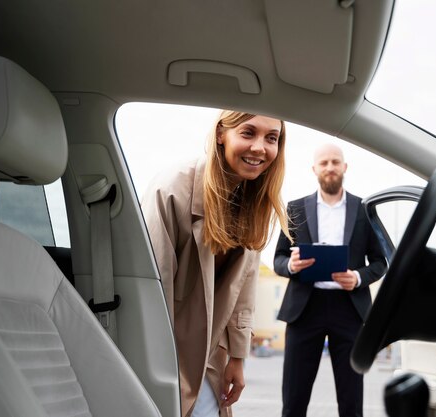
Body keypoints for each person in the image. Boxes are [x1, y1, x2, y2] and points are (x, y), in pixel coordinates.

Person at [142, 110, 289, 417]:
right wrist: (160, 369)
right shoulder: (173, 189)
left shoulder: (254, 201)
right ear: (222, 133)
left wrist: (237, 357)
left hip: (210, 355)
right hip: (166, 352)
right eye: (248, 133)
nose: (260, 148)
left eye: (271, 138)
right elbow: (151, 290)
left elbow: (244, 288)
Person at [273, 143, 387, 417]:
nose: (330, 167)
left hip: (349, 310)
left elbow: (382, 261)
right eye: (323, 163)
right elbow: (277, 259)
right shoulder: (296, 209)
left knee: (351, 403)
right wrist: (291, 264)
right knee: (294, 400)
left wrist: (358, 277)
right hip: (304, 310)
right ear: (315, 169)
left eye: (335, 162)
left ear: (344, 167)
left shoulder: (364, 209)